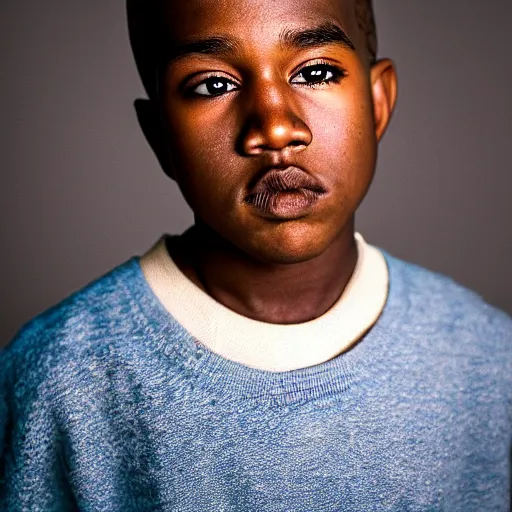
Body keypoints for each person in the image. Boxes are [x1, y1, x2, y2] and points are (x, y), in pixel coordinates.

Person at [1, 0, 510, 510]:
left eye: (316, 72)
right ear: (160, 137)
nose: (275, 127)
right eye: (213, 85)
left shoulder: (490, 360)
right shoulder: (55, 380)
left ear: (377, 103)